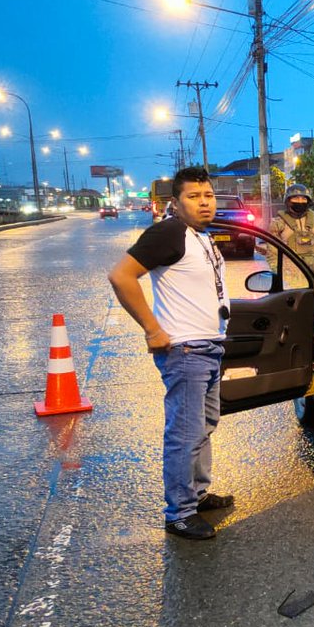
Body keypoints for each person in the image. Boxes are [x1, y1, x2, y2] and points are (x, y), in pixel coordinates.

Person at [107, 167, 234, 540]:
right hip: (185, 350)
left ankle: (196, 494)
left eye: (208, 195)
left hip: (209, 346)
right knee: (184, 432)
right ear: (175, 203)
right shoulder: (169, 232)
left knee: (204, 427)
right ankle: (179, 512)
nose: (204, 202)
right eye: (194, 197)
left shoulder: (201, 237)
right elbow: (121, 276)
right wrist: (152, 328)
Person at [266, 183, 314, 275]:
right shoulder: (279, 223)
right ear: (288, 201)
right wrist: (280, 273)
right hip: (290, 275)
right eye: (296, 198)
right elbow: (272, 253)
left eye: (304, 198)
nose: (300, 201)